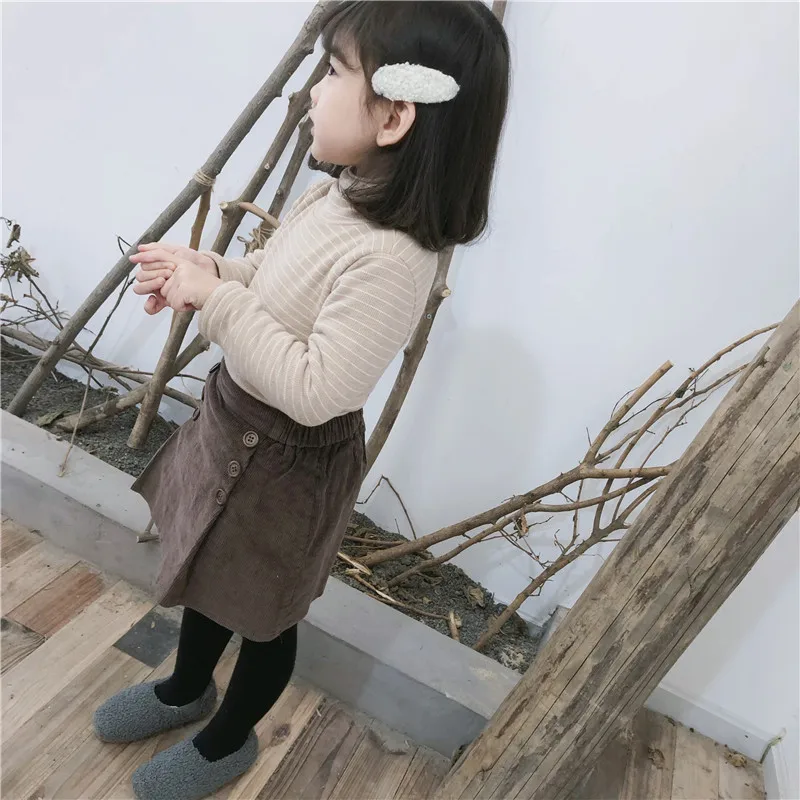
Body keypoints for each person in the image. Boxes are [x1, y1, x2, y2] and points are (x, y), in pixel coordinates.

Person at [93, 2, 510, 798]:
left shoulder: (392, 259)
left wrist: (217, 302)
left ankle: (226, 741)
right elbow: (271, 282)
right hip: (233, 423)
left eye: (333, 72)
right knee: (208, 574)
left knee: (262, 611)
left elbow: (318, 390)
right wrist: (209, 272)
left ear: (394, 116)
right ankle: (186, 688)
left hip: (289, 465)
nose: (312, 92)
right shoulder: (336, 197)